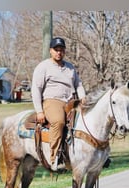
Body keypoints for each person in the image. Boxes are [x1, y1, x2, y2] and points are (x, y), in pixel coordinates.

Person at [31, 37, 87, 171]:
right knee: (58, 121)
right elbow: (36, 89)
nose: (59, 53)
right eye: (56, 50)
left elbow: (78, 84)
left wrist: (83, 97)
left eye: (61, 50)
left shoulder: (70, 67)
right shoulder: (43, 66)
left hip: (71, 100)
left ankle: (94, 153)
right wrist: (39, 111)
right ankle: (54, 157)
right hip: (52, 100)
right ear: (50, 51)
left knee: (88, 118)